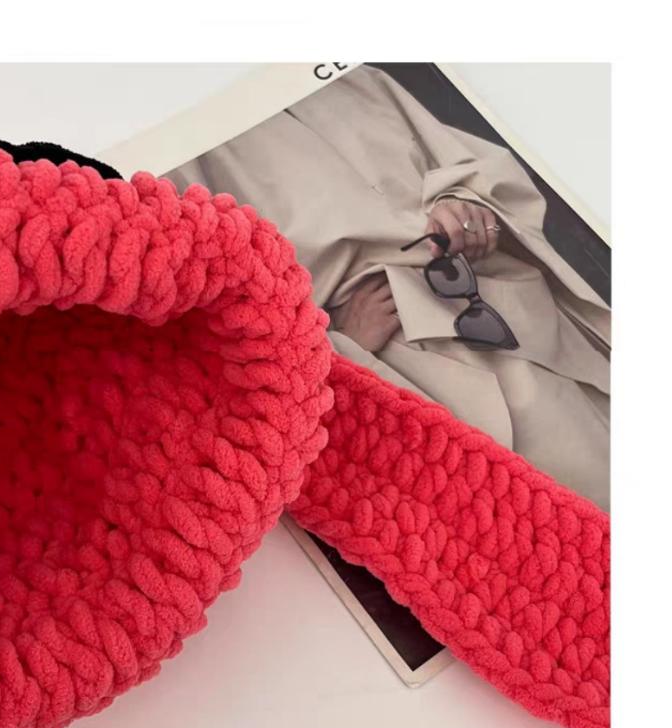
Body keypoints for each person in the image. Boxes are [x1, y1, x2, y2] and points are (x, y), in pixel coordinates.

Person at [165, 65, 610, 510]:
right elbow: (216, 325)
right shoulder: (176, 154)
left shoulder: (341, 77)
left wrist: (465, 209)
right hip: (398, 359)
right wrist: (342, 343)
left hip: (495, 297)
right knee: (533, 507)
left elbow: (473, 168)